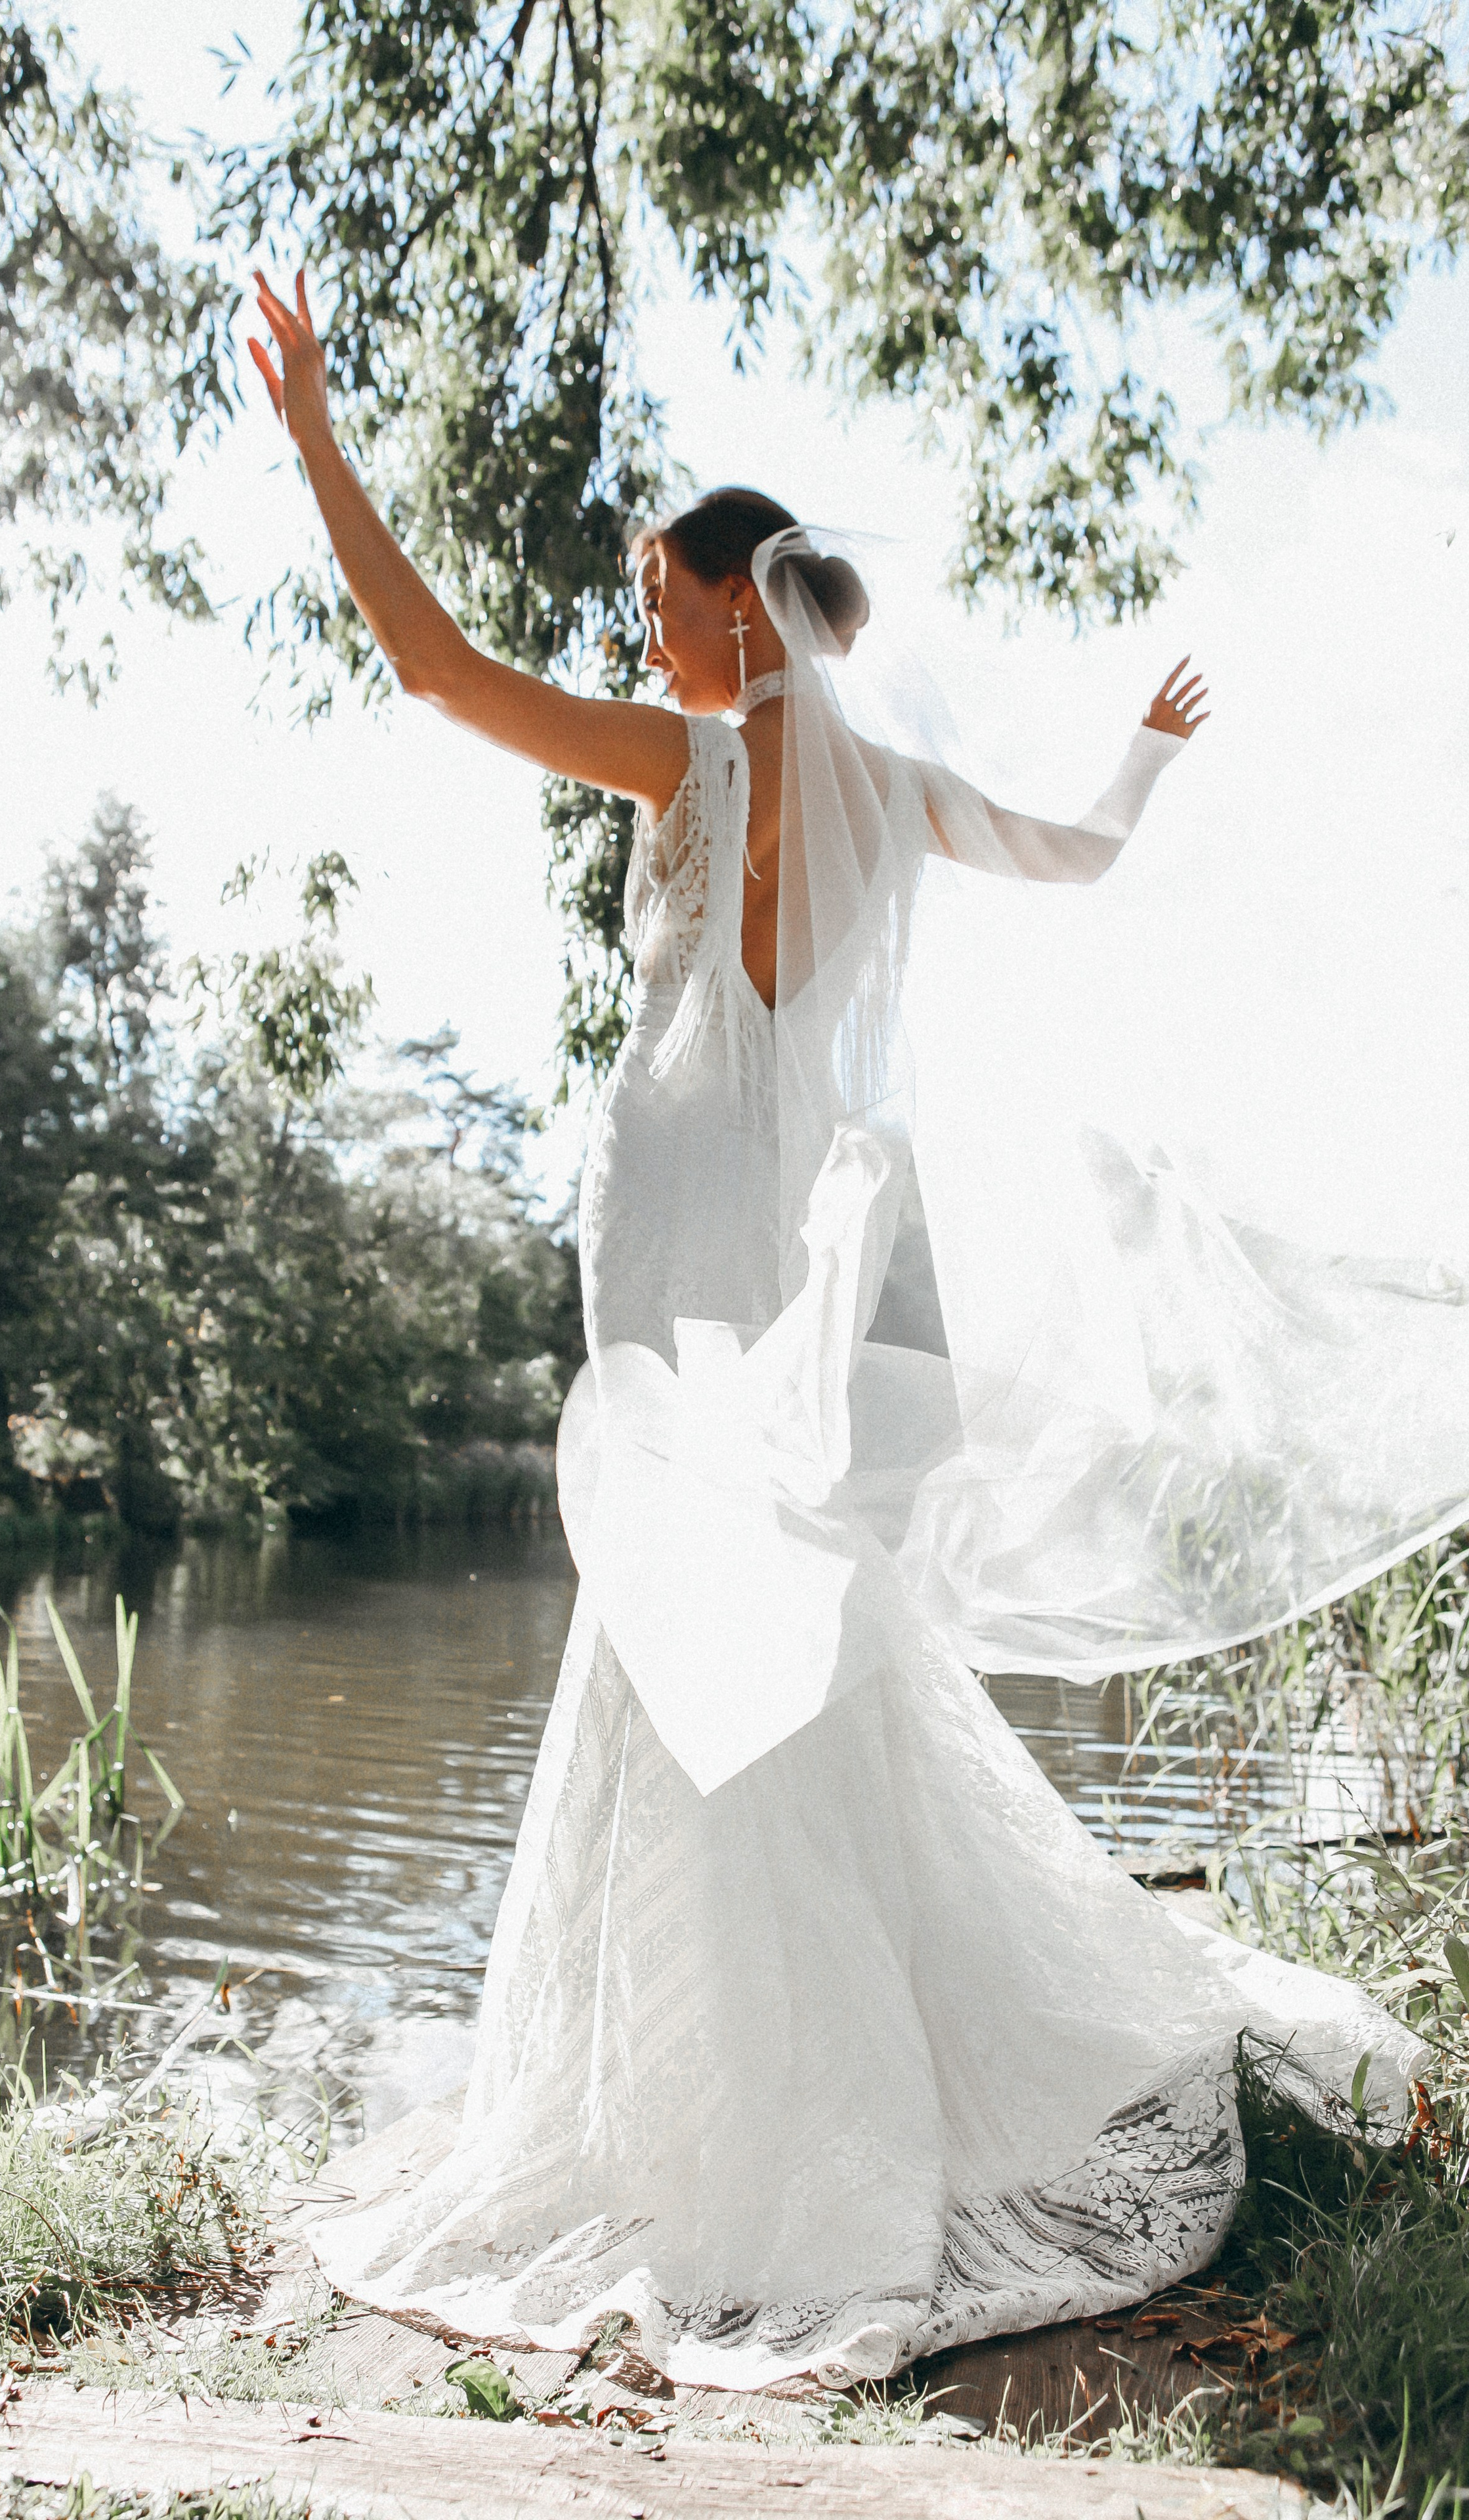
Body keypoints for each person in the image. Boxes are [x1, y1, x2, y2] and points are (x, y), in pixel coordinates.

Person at [248, 272, 1439, 2389]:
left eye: (654, 594)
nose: (639, 628)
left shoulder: (700, 764)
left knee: (705, 1618)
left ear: (735, 610)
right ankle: (759, 2101)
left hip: (700, 1237)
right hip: (771, 1236)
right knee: (780, 1628)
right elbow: (1069, 854)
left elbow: (431, 670)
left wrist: (325, 441)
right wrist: (1143, 765)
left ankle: (740, 2152)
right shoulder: (879, 784)